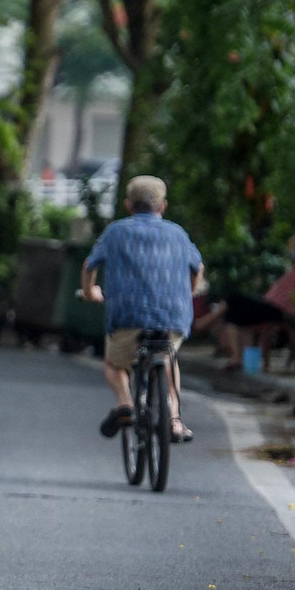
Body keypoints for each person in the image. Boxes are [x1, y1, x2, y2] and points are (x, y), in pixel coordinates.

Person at [81, 175, 203, 443]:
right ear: (163, 206)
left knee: (114, 364)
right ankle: (174, 420)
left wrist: (90, 292)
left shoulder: (115, 231)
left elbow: (90, 266)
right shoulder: (177, 233)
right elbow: (197, 268)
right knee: (170, 360)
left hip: (127, 317)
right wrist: (189, 291)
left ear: (128, 205)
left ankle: (125, 403)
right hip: (172, 317)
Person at [193, 226, 295, 369]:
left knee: (233, 298)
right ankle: (236, 358)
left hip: (278, 309)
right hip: (268, 304)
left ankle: (204, 324)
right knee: (233, 315)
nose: (292, 250)